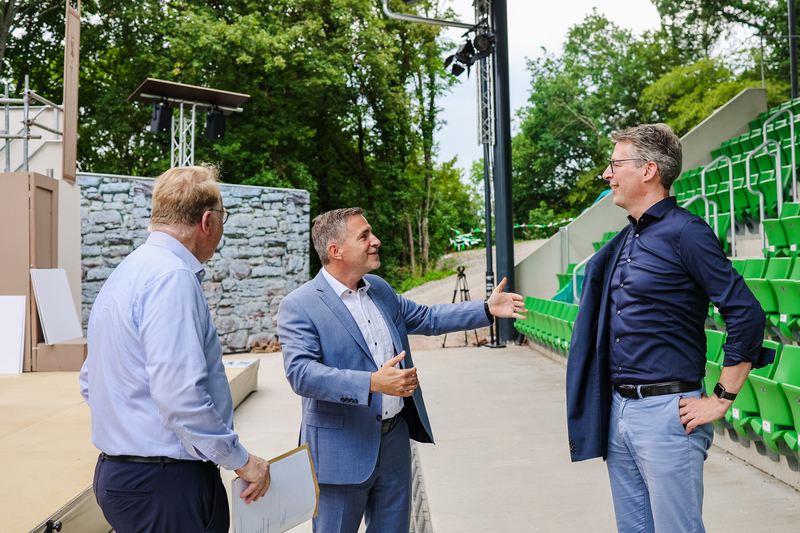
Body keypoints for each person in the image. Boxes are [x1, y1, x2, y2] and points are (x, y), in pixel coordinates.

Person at [565, 123, 773, 532]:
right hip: (619, 411)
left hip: (667, 413)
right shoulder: (626, 238)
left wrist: (720, 398)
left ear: (648, 171)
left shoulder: (686, 232)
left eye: (614, 164)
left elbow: (746, 314)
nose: (607, 175)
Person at [277, 207, 526, 533]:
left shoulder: (378, 288)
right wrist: (372, 383)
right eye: (364, 236)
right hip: (341, 453)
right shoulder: (299, 305)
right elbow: (301, 373)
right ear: (335, 251)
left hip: (393, 442)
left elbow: (428, 317)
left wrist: (485, 309)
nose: (375, 241)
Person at [79, 164, 271, 533]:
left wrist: (132, 427)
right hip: (166, 484)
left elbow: (91, 382)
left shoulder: (126, 273)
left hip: (124, 475)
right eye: (223, 217)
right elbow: (181, 398)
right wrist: (242, 461)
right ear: (207, 221)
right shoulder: (173, 278)